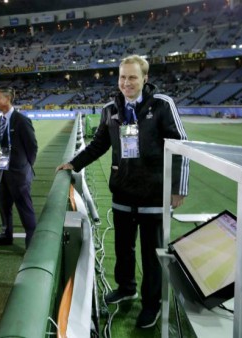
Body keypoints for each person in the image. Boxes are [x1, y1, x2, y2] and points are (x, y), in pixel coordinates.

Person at [56, 55, 189, 329]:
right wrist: (74, 163)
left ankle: (152, 305)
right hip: (123, 193)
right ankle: (127, 287)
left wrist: (179, 187)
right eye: (122, 77)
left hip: (154, 194)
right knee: (123, 248)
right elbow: (99, 145)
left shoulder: (163, 105)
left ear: (145, 79)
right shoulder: (110, 109)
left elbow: (181, 146)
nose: (126, 83)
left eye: (132, 77)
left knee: (152, 255)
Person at [0, 86, 38, 248]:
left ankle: (31, 240)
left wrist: (25, 168)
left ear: (7, 99)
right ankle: (6, 235)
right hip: (3, 171)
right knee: (4, 206)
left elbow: (32, 147)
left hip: (19, 173)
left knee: (25, 208)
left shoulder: (21, 120)